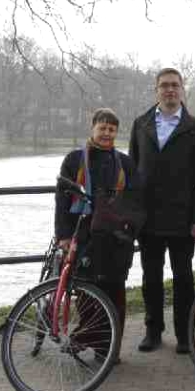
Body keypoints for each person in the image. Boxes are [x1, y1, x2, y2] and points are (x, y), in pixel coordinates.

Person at [129, 68, 195, 354]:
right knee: (150, 278)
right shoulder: (140, 125)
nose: (170, 90)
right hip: (148, 218)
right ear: (156, 90)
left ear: (182, 89)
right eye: (164, 85)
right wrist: (132, 214)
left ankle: (184, 335)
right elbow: (131, 172)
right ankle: (153, 331)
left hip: (182, 217)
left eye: (175, 85)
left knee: (184, 279)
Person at [55, 108, 141, 362]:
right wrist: (63, 235)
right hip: (82, 233)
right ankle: (88, 336)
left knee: (115, 290)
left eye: (111, 129)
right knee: (85, 288)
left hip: (116, 237)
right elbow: (62, 198)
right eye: (102, 128)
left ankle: (108, 350)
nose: (106, 133)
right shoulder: (74, 160)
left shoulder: (125, 163)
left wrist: (131, 231)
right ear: (92, 128)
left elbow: (135, 200)